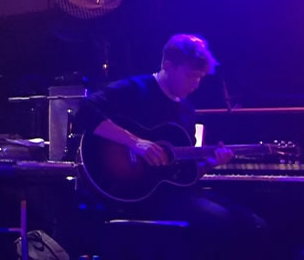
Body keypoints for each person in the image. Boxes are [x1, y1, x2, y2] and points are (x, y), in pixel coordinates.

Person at [79, 34, 267, 260]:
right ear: (168, 66)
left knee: (255, 225)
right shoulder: (135, 89)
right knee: (221, 223)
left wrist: (210, 163)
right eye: (190, 76)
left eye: (200, 78)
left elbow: (182, 175)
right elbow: (85, 111)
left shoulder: (187, 111)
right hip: (136, 194)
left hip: (174, 194)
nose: (195, 85)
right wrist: (135, 142)